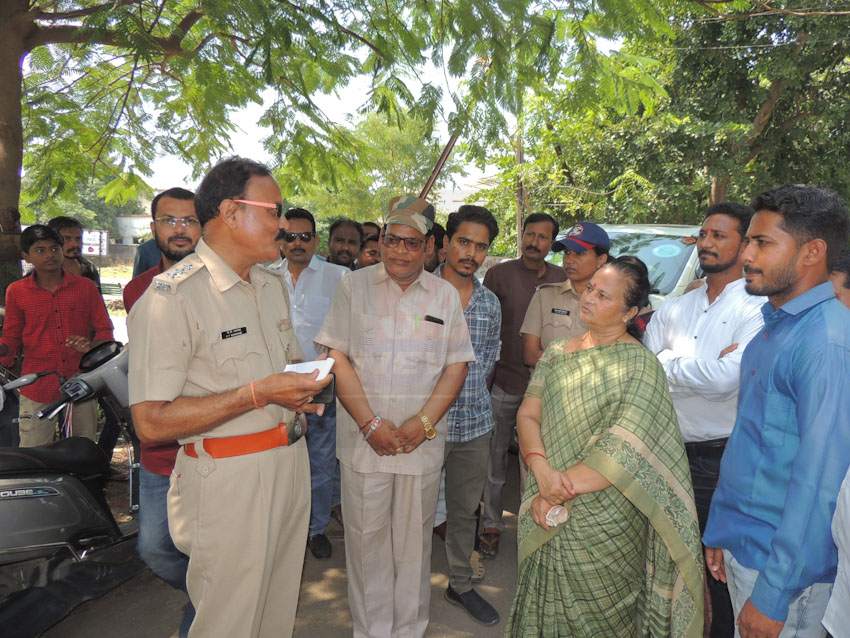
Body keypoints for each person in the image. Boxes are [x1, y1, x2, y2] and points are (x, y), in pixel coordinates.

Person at [128, 157, 332, 638]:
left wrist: (298, 390)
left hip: (288, 465)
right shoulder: (171, 298)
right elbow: (152, 423)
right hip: (227, 481)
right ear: (230, 212)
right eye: (274, 211)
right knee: (228, 623)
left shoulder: (268, 283)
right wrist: (257, 393)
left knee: (276, 614)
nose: (284, 226)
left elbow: (278, 371)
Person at [507, 257, 704, 637]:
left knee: (600, 619)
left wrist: (556, 490)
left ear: (630, 311)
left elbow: (623, 449)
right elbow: (528, 415)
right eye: (591, 288)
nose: (589, 297)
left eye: (604, 295)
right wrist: (543, 474)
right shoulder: (558, 352)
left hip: (607, 518)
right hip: (546, 492)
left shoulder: (641, 367)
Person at [315, 194, 474, 638]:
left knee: (412, 547)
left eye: (411, 243)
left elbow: (456, 365)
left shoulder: (443, 295)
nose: (400, 251)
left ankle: (408, 631)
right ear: (381, 241)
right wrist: (370, 425)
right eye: (392, 240)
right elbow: (337, 357)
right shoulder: (353, 287)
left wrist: (421, 426)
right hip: (366, 446)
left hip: (419, 447)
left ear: (427, 248)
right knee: (366, 548)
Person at [704, 185, 850, 638]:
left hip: (785, 575)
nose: (746, 254)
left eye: (762, 242)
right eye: (748, 240)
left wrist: (774, 593)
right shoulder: (776, 328)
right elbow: (752, 446)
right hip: (745, 546)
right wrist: (721, 531)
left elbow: (821, 482)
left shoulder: (826, 343)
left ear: (812, 252)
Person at [644, 202, 765, 637]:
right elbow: (646, 371)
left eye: (720, 236)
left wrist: (668, 361)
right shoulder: (678, 306)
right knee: (667, 563)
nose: (707, 243)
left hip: (721, 460)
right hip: (667, 452)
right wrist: (698, 366)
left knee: (718, 573)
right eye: (704, 234)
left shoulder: (757, 308)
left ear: (745, 244)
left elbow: (729, 381)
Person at [122, 186, 200, 638]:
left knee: (208, 547)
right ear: (153, 229)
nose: (179, 229)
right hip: (159, 446)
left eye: (189, 220)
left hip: (210, 443)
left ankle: (204, 609)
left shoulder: (222, 286)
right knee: (155, 547)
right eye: (169, 220)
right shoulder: (137, 290)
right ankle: (205, 592)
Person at [479, 212, 565, 558]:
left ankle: (535, 526)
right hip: (506, 382)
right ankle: (490, 524)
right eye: (530, 235)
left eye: (543, 237)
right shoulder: (499, 275)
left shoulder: (562, 279)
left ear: (551, 243)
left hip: (550, 392)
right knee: (494, 459)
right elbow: (485, 328)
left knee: (537, 462)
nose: (535, 242)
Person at [434, 205, 502, 626]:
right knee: (410, 511)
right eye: (464, 241)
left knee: (463, 511)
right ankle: (399, 586)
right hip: (420, 426)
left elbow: (490, 358)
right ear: (445, 243)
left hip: (473, 426)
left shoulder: (489, 303)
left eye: (481, 247)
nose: (471, 253)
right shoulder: (416, 293)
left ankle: (459, 583)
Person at [270, 207, 347, 559]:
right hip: (275, 390)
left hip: (321, 387)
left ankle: (315, 529)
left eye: (305, 236)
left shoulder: (339, 277)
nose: (297, 243)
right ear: (280, 241)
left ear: (316, 240)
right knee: (279, 464)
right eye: (290, 237)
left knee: (319, 460)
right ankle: (283, 530)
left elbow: (348, 333)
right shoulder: (263, 277)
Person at [0, 225, 113, 446]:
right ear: (26, 256)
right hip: (37, 385)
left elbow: (105, 331)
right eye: (40, 250)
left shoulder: (86, 288)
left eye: (54, 248)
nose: (50, 255)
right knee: (33, 452)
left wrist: (91, 348)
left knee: (83, 451)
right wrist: (4, 354)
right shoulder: (17, 291)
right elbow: (11, 338)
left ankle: (84, 482)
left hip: (81, 382)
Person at [521, 221, 609, 368]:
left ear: (601, 259)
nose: (569, 260)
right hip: (545, 388)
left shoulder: (611, 303)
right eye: (567, 253)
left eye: (579, 253)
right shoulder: (545, 296)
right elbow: (530, 356)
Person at [47, 216, 101, 289]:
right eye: (67, 238)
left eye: (78, 238)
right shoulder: (40, 273)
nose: (75, 244)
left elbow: (97, 298)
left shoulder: (89, 269)